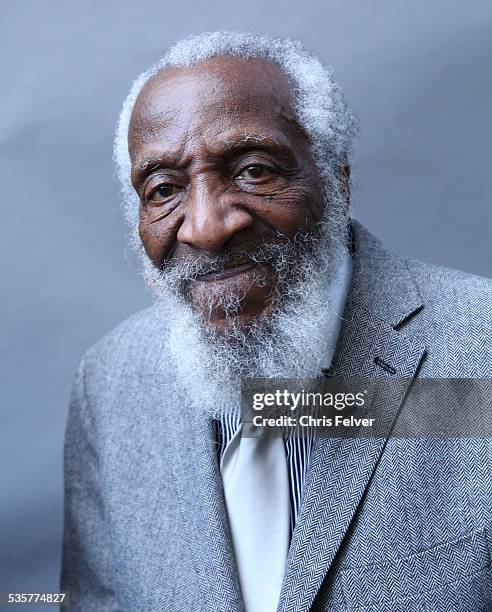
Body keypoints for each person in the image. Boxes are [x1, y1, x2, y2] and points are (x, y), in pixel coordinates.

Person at [61, 31, 492, 611]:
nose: (206, 227)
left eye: (255, 170)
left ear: (336, 180)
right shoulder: (110, 383)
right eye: (163, 189)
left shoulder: (479, 353)